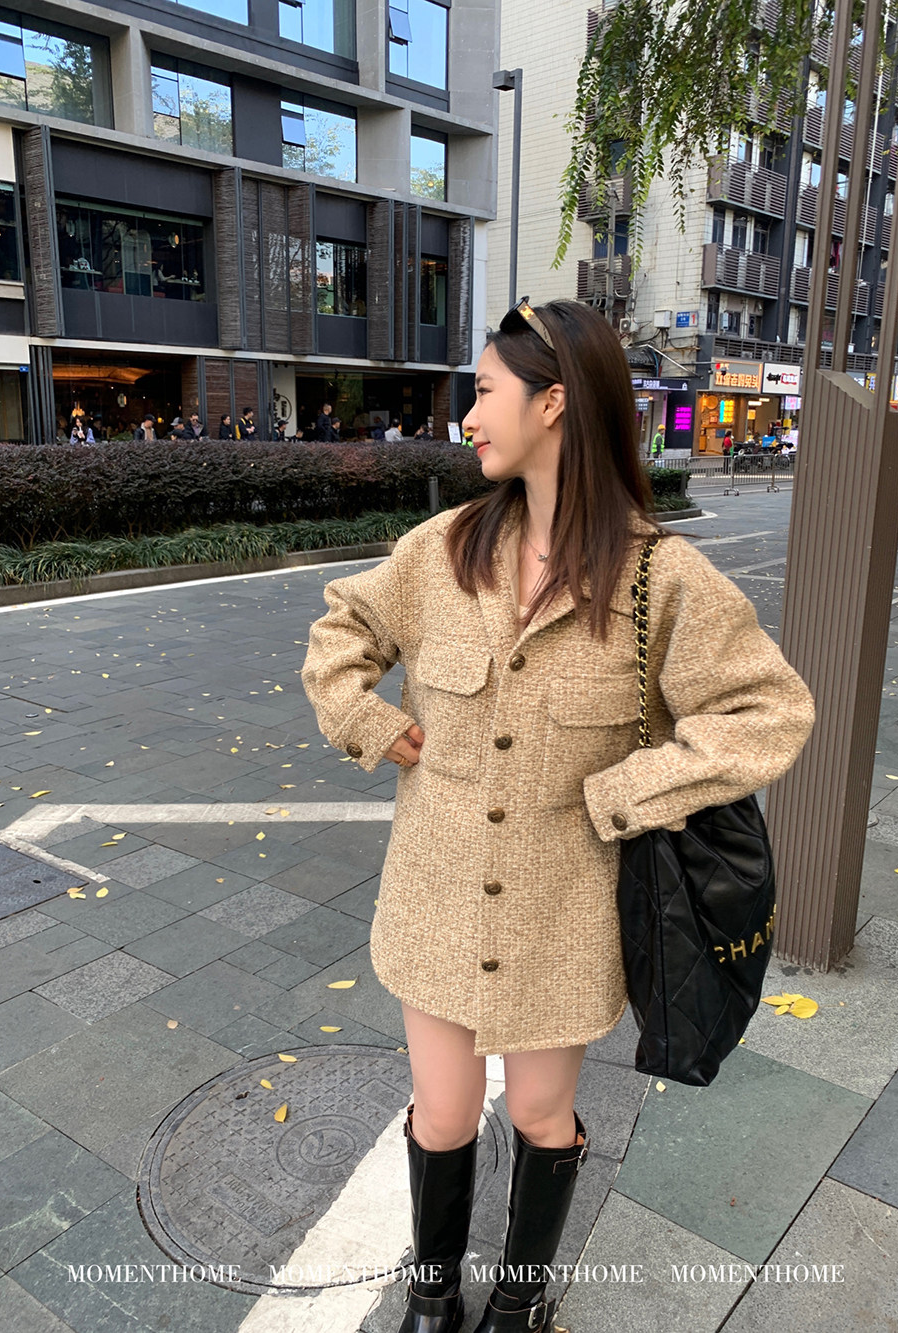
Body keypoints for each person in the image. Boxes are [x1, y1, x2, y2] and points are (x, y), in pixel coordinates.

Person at [301, 298, 815, 1333]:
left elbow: (769, 709)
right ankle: (432, 1296)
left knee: (540, 1112)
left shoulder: (659, 578)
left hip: (563, 914)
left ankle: (520, 1302)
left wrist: (628, 791)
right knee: (443, 1111)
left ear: (554, 402)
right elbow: (342, 627)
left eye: (485, 391)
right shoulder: (443, 550)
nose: (467, 416)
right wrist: (365, 720)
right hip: (436, 897)